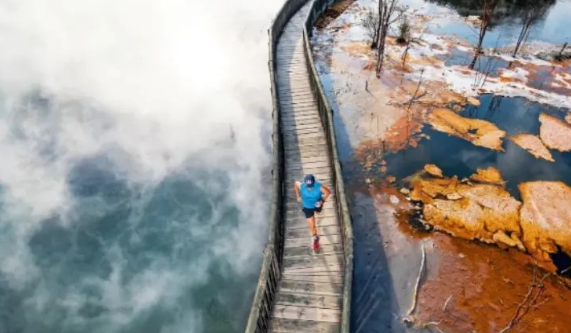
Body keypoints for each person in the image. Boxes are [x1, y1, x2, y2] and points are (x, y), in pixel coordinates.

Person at [294, 174, 331, 252]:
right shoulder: (302, 186)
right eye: (308, 186)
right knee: (312, 225)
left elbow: (328, 192)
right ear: (305, 183)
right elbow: (295, 183)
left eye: (311, 186)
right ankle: (315, 238)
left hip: (317, 204)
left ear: (314, 183)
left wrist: (322, 201)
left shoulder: (319, 186)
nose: (310, 188)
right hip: (307, 207)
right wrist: (297, 196)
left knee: (318, 211)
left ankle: (318, 210)